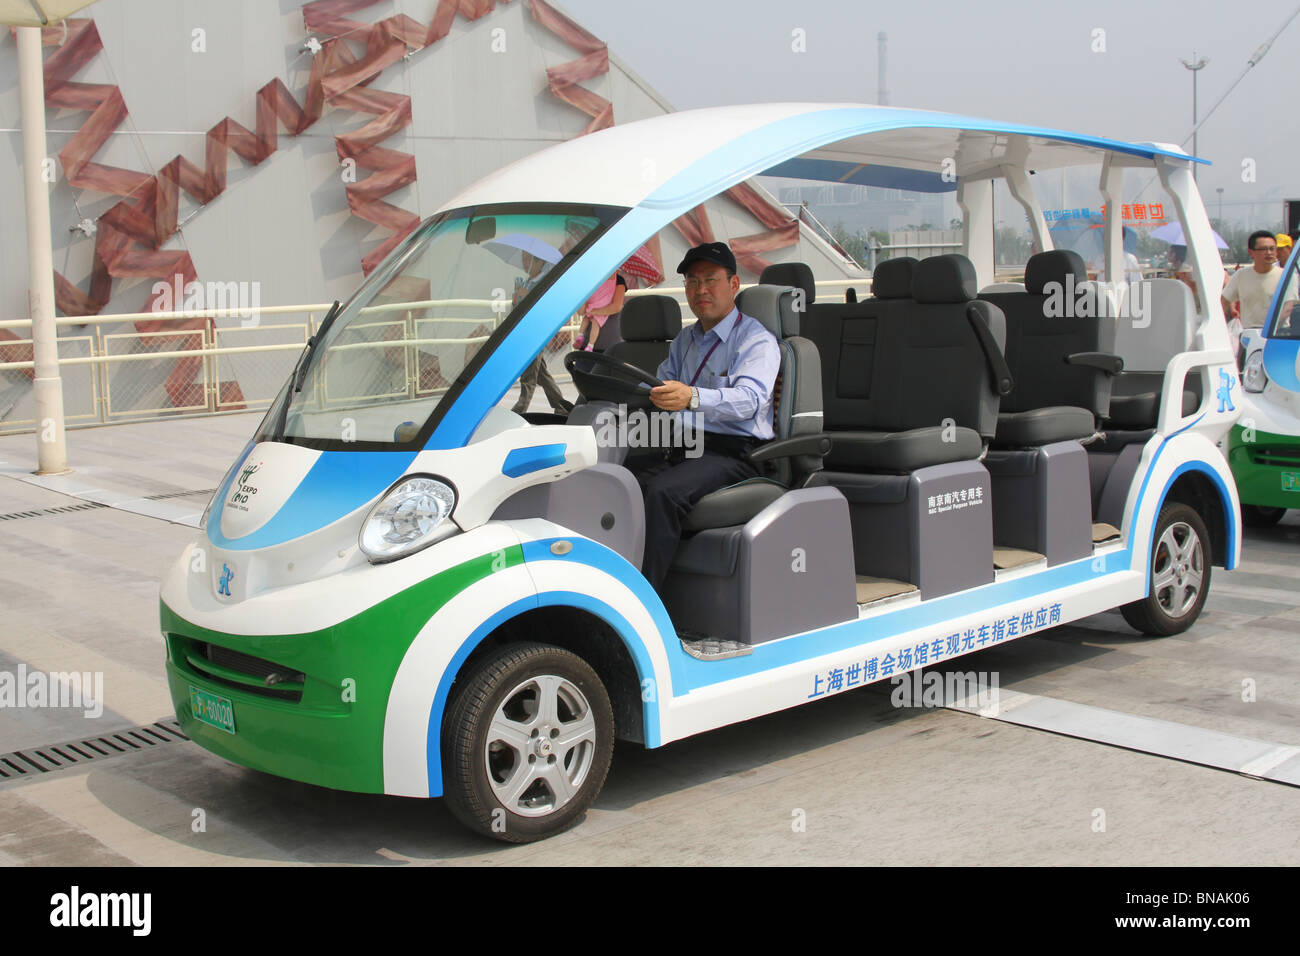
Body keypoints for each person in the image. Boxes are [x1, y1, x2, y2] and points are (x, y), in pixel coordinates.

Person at [628, 241, 779, 591]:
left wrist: (691, 397)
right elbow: (662, 382)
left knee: (663, 493)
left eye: (711, 280)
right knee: (619, 479)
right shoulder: (686, 339)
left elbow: (751, 401)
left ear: (735, 285)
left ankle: (645, 603)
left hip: (737, 452)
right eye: (692, 283)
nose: (701, 290)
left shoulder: (755, 340)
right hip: (687, 445)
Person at [511, 251, 574, 415]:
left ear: (539, 263)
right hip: (525, 333)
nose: (525, 262)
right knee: (541, 374)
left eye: (528, 259)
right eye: (523, 258)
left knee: (529, 375)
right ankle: (561, 406)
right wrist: (517, 298)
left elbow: (547, 308)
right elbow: (516, 310)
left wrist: (529, 296)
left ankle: (520, 408)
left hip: (536, 333)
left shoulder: (544, 283)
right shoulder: (523, 283)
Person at [1221, 230, 1283, 350]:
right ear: (1251, 252)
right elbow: (1224, 300)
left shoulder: (1285, 277)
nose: (1269, 253)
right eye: (1264, 249)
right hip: (1249, 336)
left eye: (1272, 249)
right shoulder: (1241, 275)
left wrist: (1270, 327)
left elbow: (1289, 307)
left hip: (1277, 335)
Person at [575, 272, 627, 352]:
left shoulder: (618, 280)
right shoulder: (589, 281)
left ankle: (583, 338)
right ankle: (583, 339)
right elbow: (581, 311)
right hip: (586, 345)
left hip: (610, 344)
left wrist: (593, 312)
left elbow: (616, 307)